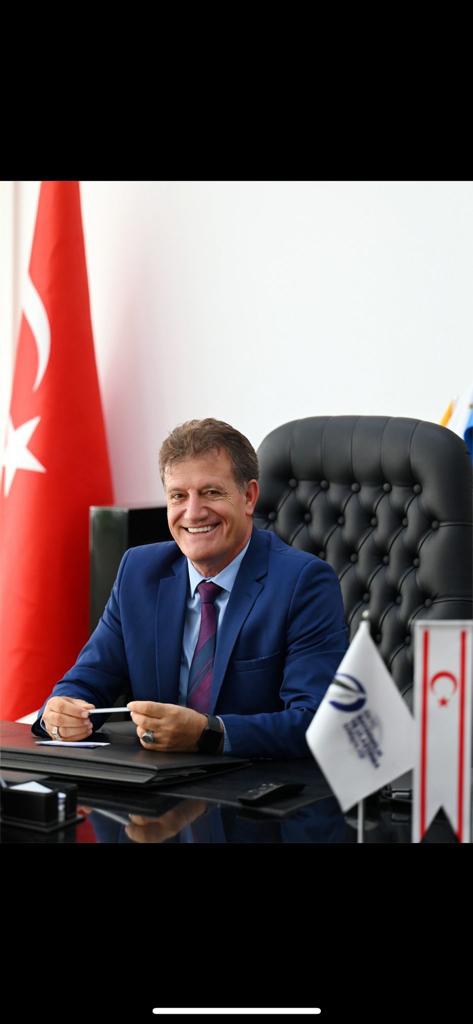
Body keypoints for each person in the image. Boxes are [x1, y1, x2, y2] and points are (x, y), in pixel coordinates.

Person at [33, 418, 347, 758]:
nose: (193, 513)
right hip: (156, 780)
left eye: (211, 492)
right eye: (178, 496)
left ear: (248, 497)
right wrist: (61, 713)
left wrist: (207, 734)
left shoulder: (303, 583)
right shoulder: (139, 572)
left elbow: (315, 722)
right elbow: (87, 680)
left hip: (253, 782)